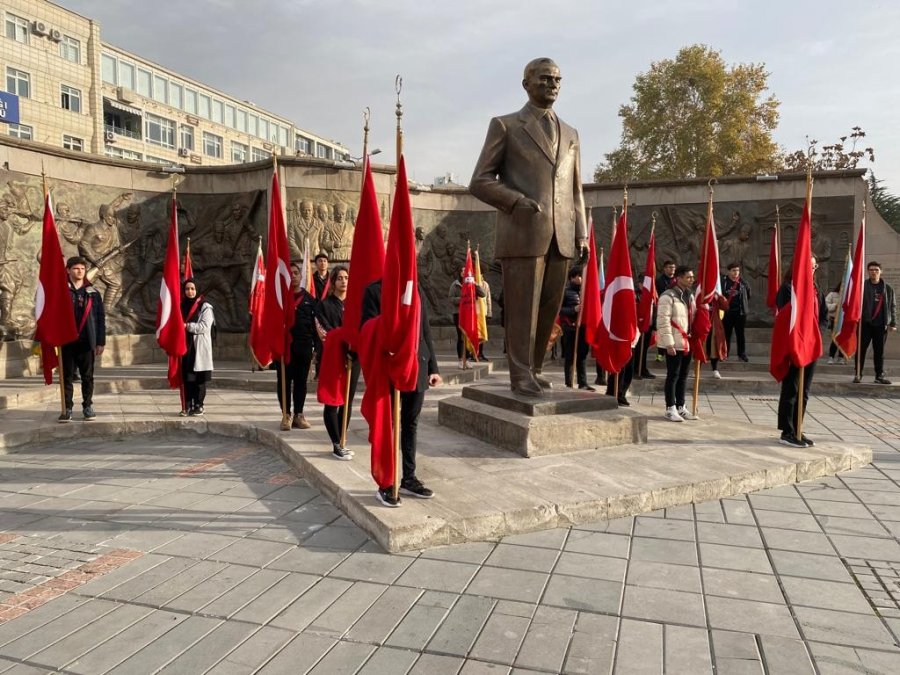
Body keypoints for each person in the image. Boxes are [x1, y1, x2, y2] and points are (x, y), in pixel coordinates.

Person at [470, 57, 588, 397]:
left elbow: (575, 188)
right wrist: (515, 201)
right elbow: (479, 181)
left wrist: (581, 231)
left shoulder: (571, 133)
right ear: (527, 83)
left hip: (562, 236)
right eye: (545, 78)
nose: (552, 85)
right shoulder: (505, 125)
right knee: (522, 310)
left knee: (548, 308)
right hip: (523, 232)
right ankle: (519, 374)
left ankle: (535, 369)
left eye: (557, 79)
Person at [362, 281, 442, 507]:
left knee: (411, 424)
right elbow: (366, 328)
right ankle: (385, 483)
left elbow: (425, 329)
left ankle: (408, 478)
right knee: (387, 427)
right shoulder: (375, 290)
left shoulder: (416, 288)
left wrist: (433, 368)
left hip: (418, 365)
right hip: (389, 366)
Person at [777, 257, 823, 447]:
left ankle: (798, 428)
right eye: (809, 266)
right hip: (795, 344)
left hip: (810, 345)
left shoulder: (814, 288)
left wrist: (815, 332)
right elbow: (784, 315)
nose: (812, 269)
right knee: (792, 388)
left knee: (804, 391)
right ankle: (787, 431)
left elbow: (822, 314)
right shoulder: (788, 289)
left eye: (814, 266)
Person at [314, 265, 359, 460]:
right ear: (333, 282)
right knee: (333, 401)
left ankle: (342, 440)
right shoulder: (324, 305)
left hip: (353, 359)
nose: (343, 281)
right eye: (339, 278)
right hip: (334, 359)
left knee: (347, 402)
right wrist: (345, 342)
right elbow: (326, 332)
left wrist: (354, 348)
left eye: (346, 277)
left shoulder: (355, 306)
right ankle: (335, 442)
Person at [59, 256, 105, 422]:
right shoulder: (61, 291)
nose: (79, 272)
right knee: (67, 376)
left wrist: (100, 341)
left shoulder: (93, 293)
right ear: (68, 270)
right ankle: (67, 408)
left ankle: (87, 406)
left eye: (82, 269)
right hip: (67, 340)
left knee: (87, 376)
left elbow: (100, 319)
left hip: (87, 340)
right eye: (76, 269)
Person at [274, 262, 317, 431]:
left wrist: (316, 349)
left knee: (301, 382)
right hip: (284, 347)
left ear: (301, 276)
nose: (293, 276)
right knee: (283, 381)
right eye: (290, 273)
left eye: (296, 273)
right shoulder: (280, 298)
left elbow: (315, 325)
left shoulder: (310, 300)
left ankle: (299, 414)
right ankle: (286, 414)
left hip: (304, 346)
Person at [657, 266, 699, 422]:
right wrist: (669, 344)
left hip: (686, 342)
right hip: (674, 342)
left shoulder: (690, 296)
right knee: (673, 375)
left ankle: (681, 406)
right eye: (688, 277)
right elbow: (663, 321)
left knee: (683, 376)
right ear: (679, 278)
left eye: (692, 277)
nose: (691, 280)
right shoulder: (667, 296)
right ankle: (670, 408)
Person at [853, 261, 896, 384]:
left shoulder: (887, 288)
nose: (874, 272)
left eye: (876, 269)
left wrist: (893, 323)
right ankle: (858, 374)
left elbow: (892, 306)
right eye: (871, 270)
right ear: (867, 271)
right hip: (864, 324)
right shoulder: (862, 286)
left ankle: (879, 375)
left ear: (881, 271)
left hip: (881, 325)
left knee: (879, 351)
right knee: (861, 350)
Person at [710, 262, 751, 378]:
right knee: (726, 334)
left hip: (740, 313)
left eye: (737, 271)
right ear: (728, 271)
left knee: (740, 334)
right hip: (726, 313)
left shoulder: (743, 283)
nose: (735, 273)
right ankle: (725, 353)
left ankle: (741, 354)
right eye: (733, 270)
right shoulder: (723, 282)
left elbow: (748, 295)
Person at [180, 279, 215, 416]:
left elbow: (205, 327)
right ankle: (187, 406)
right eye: (187, 289)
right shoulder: (181, 306)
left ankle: (199, 405)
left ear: (197, 290)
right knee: (188, 379)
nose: (190, 291)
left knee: (199, 380)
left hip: (199, 348)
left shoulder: (205, 307)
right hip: (186, 347)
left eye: (193, 289)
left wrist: (186, 326)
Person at [558, 266, 593, 390]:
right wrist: (573, 309)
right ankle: (569, 382)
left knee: (582, 356)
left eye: (581, 275)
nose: (580, 278)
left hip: (583, 327)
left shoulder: (586, 291)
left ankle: (583, 383)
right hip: (570, 328)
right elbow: (559, 310)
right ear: (572, 278)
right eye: (578, 276)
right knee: (570, 356)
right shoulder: (566, 291)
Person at [448, 266, 486, 369]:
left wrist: (475, 284)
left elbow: (483, 294)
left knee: (469, 335)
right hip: (459, 314)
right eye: (463, 270)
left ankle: (467, 358)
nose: (465, 272)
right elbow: (451, 299)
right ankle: (461, 359)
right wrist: (463, 299)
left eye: (467, 271)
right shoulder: (455, 285)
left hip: (470, 313)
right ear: (460, 273)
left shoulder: (471, 284)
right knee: (461, 336)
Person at [654, 260, 678, 362]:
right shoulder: (659, 281)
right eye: (669, 267)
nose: (671, 269)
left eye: (673, 267)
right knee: (663, 330)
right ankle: (660, 354)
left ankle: (672, 350)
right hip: (663, 308)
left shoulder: (678, 281)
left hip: (675, 309)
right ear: (664, 269)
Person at [825, 282, 846, 365]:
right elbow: (826, 305)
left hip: (845, 320)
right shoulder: (832, 294)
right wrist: (835, 305)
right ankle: (831, 356)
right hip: (835, 320)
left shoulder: (848, 295)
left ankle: (841, 357)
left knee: (843, 339)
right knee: (835, 338)